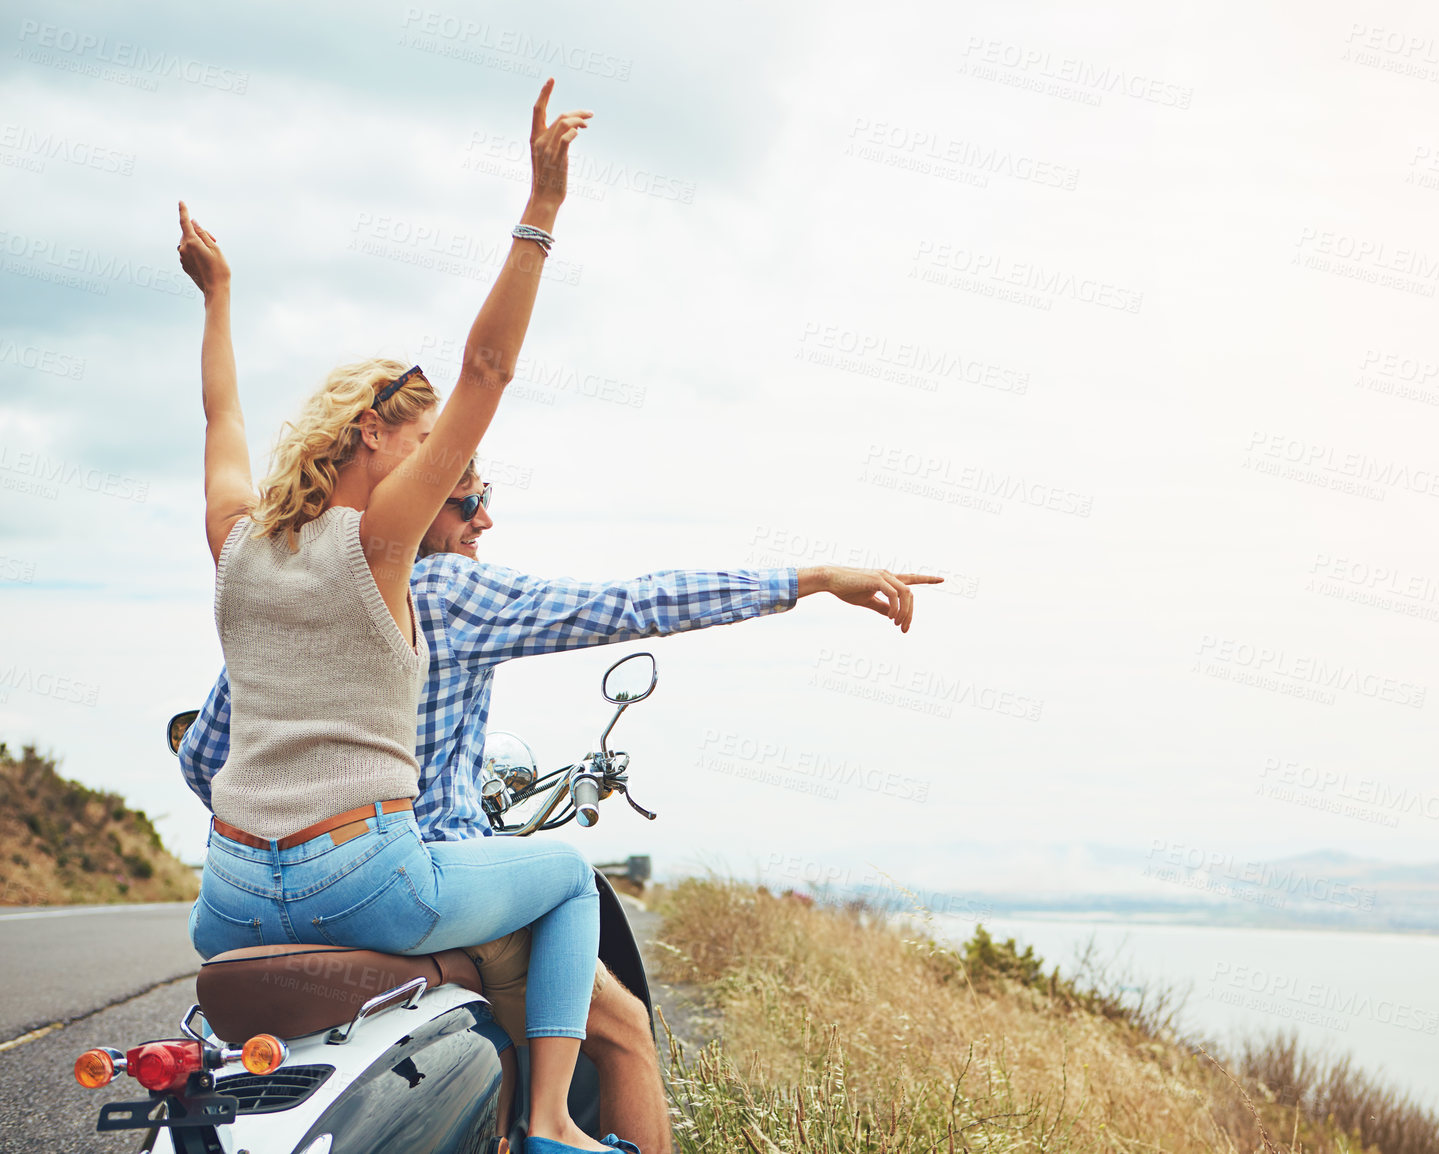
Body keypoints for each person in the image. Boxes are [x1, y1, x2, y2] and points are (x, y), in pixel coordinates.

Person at [178, 458, 942, 1152]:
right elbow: (635, 604)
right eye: (464, 499)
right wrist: (808, 580)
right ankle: (553, 1127)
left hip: (279, 890)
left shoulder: (299, 593)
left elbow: (207, 758)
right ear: (406, 507)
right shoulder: (450, 589)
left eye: (484, 497)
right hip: (419, 881)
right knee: (625, 1031)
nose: (483, 517)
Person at [177, 79, 625, 1154]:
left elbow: (223, 411)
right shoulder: (379, 545)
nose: (442, 470)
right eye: (428, 448)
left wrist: (218, 296)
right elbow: (488, 365)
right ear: (377, 435)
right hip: (361, 876)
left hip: (229, 896)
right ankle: (555, 1117)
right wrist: (542, 207)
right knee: (567, 873)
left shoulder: (234, 539)